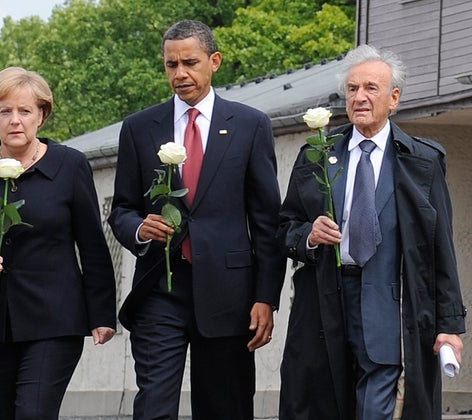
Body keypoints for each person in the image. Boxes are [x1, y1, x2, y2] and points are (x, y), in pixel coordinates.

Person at [108, 20, 286, 419]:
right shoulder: (138, 128)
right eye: (171, 65)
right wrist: (138, 228)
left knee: (226, 407)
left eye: (190, 62)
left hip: (230, 294)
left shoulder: (250, 125)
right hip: (160, 287)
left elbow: (266, 222)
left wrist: (266, 297)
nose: (180, 74)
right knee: (153, 406)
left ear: (215, 61)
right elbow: (120, 209)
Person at [278, 44, 466, 420]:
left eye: (370, 88)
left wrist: (449, 326)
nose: (359, 97)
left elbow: (440, 248)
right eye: (351, 89)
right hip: (323, 308)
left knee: (376, 407)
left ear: (393, 98)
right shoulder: (317, 154)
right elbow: (285, 227)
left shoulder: (422, 161)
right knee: (320, 403)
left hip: (388, 307)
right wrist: (309, 236)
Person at [0, 66, 117, 419]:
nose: (15, 120)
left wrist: (102, 314)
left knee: (34, 413)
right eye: (5, 111)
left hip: (55, 319)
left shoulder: (70, 165)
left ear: (42, 115)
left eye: (25, 111)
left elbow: (93, 245)